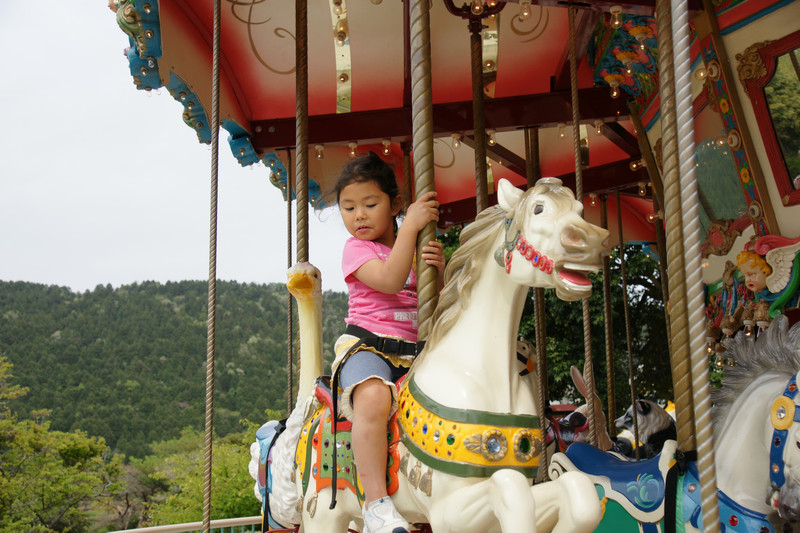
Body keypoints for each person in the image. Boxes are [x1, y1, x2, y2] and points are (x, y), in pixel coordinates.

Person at [331, 152, 444, 533]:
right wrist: (410, 227)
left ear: (393, 204)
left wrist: (439, 274)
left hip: (415, 352)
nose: (358, 216)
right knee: (374, 398)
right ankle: (376, 503)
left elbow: (439, 307)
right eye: (348, 208)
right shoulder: (357, 249)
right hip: (368, 348)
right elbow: (392, 280)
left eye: (369, 204)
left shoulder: (414, 249)